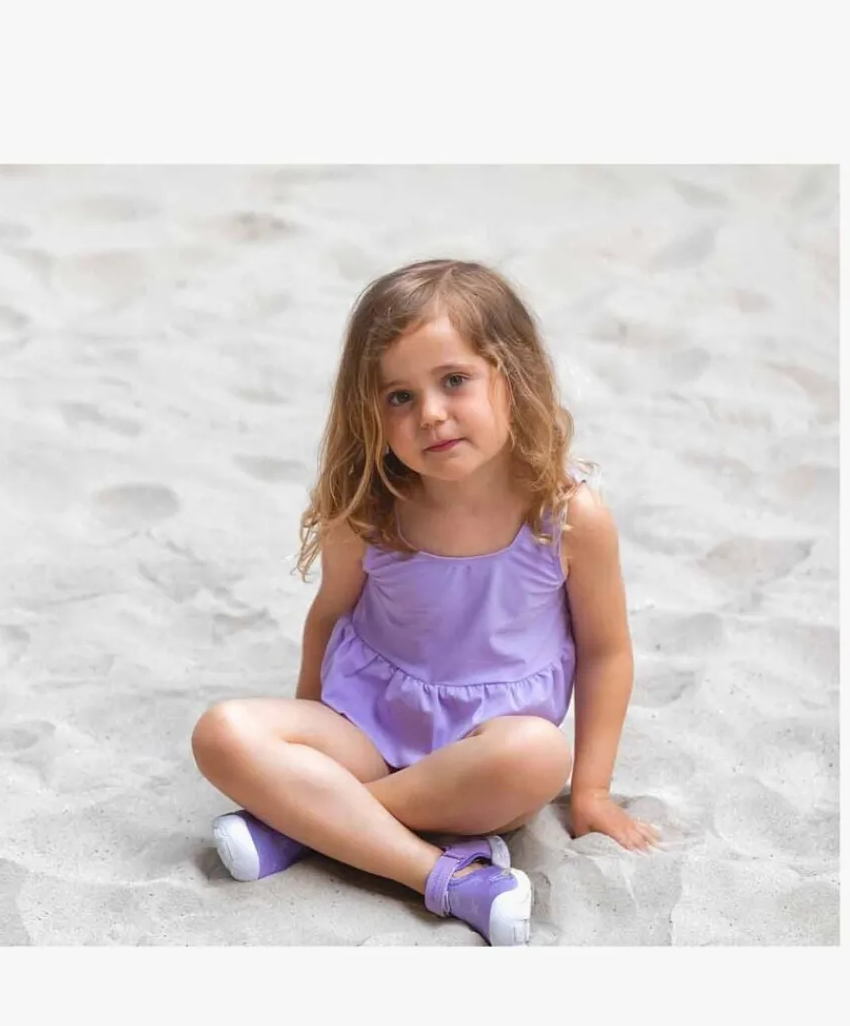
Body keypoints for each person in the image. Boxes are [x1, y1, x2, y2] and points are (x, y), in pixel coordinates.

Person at [190, 260, 658, 946]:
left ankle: (307, 825)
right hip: (364, 730)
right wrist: (308, 738)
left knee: (537, 755)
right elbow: (329, 617)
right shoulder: (372, 512)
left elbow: (606, 652)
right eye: (399, 397)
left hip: (480, 762)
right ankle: (442, 875)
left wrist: (590, 792)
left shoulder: (567, 518)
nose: (430, 414)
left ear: (513, 376)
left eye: (455, 381)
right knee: (222, 731)